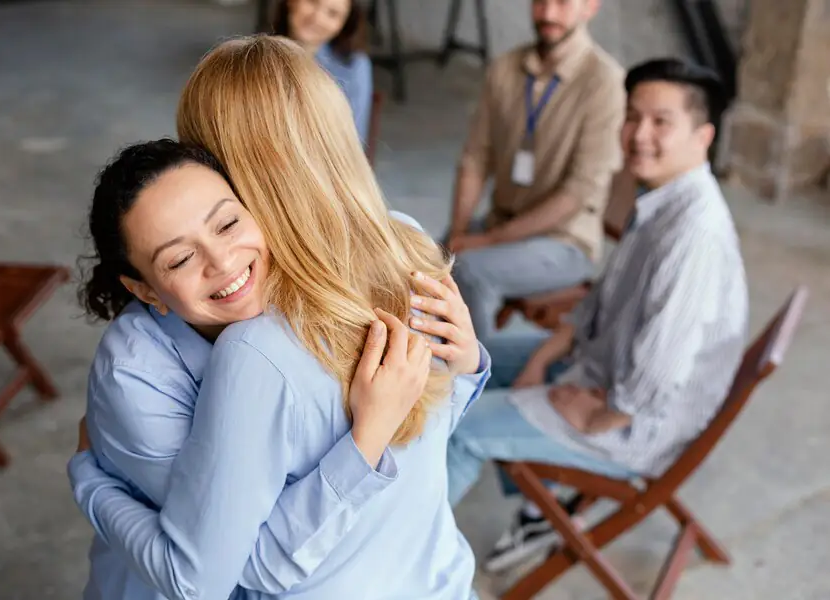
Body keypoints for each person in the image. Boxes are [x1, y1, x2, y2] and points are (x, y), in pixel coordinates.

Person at [68, 36, 491, 600]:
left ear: (222, 167)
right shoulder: (406, 240)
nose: (219, 260)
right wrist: (462, 371)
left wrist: (89, 479)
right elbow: (423, 428)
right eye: (180, 255)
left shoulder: (255, 351)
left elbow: (217, 575)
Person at [447, 57, 749, 573]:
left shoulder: (694, 234)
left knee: (458, 430)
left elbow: (660, 369)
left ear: (703, 136)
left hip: (633, 424)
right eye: (632, 117)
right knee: (468, 363)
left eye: (660, 122)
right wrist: (544, 358)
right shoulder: (660, 200)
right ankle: (540, 500)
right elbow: (598, 304)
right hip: (599, 368)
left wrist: (600, 416)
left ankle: (398, 569)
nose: (638, 134)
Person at [447, 0, 625, 344]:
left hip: (564, 241)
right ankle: (424, 374)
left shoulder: (605, 84)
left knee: (470, 273)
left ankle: (472, 384)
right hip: (500, 221)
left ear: (590, 7)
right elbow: (475, 159)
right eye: (541, 2)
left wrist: (484, 241)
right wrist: (458, 232)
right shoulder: (504, 68)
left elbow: (577, 193)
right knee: (422, 257)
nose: (548, 14)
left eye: (562, 3)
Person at [272, 0, 373, 142]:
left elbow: (353, 141)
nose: (317, 17)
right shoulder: (253, 53)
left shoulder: (354, 65)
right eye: (312, 2)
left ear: (345, 23)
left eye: (333, 14)